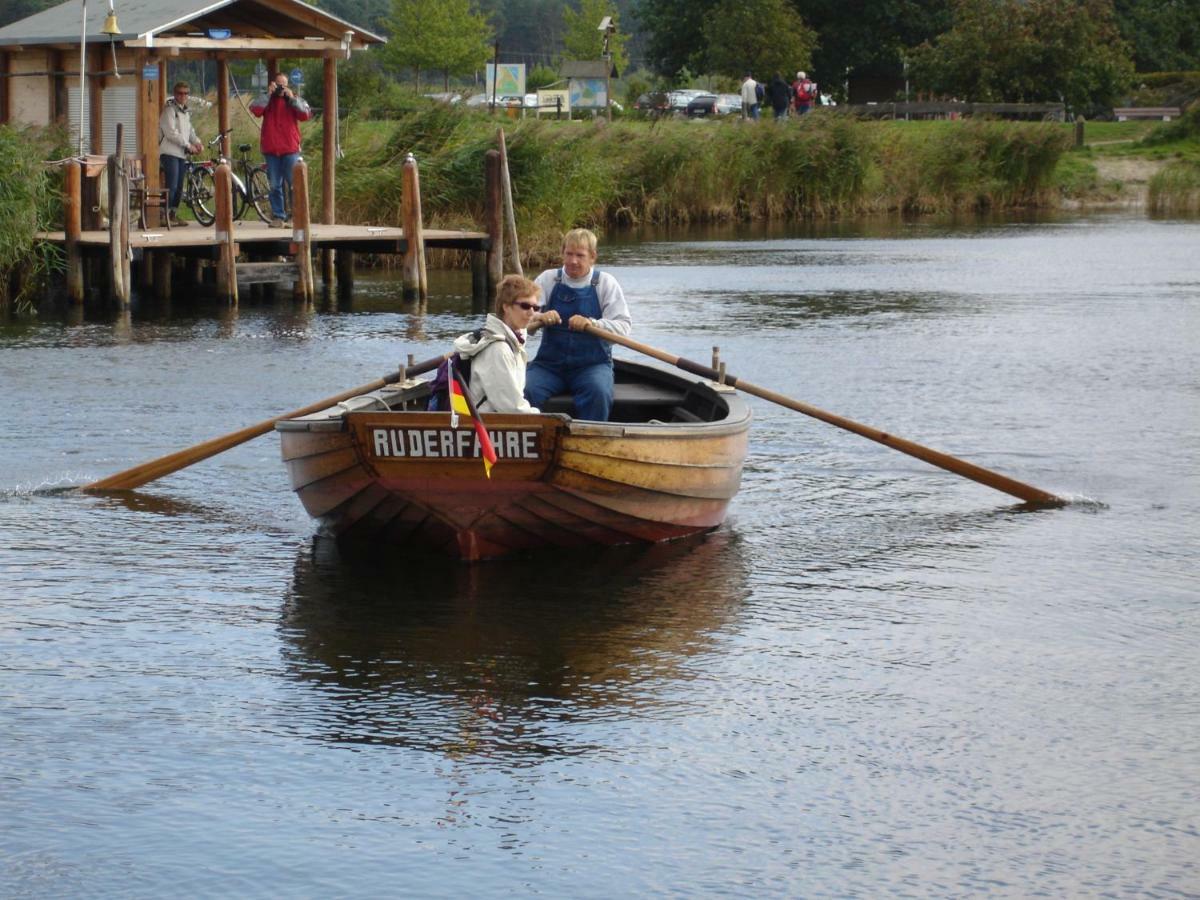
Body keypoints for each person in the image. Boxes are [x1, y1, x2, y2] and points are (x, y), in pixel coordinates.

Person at [524, 228, 632, 421]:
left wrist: (592, 324)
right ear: (562, 253)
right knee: (525, 391)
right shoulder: (548, 279)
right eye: (569, 254)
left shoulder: (605, 283)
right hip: (549, 366)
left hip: (592, 366)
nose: (573, 261)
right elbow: (521, 322)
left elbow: (623, 328)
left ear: (592, 257)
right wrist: (539, 318)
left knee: (598, 394)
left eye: (580, 255)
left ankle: (591, 443)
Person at [451, 275, 542, 414]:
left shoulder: (514, 342)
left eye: (535, 308)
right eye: (525, 306)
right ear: (506, 307)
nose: (531, 313)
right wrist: (540, 415)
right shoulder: (498, 349)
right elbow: (512, 408)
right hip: (488, 424)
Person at [250, 72, 312, 228]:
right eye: (278, 85)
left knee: (294, 184)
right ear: (272, 84)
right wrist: (268, 95)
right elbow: (255, 110)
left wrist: (291, 98)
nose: (280, 88)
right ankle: (279, 216)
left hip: (290, 148)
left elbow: (305, 115)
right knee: (274, 185)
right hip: (271, 149)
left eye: (283, 85)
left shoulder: (293, 99)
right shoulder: (267, 99)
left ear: (288, 86)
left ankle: (296, 216)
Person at [158, 81, 202, 227]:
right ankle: (164, 215)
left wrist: (197, 142)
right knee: (172, 184)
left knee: (179, 186)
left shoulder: (185, 112)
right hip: (169, 152)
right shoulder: (169, 110)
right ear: (175, 94)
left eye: (186, 93)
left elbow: (190, 131)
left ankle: (173, 214)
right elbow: (171, 133)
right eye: (180, 93)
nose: (183, 96)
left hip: (181, 154)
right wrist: (188, 145)